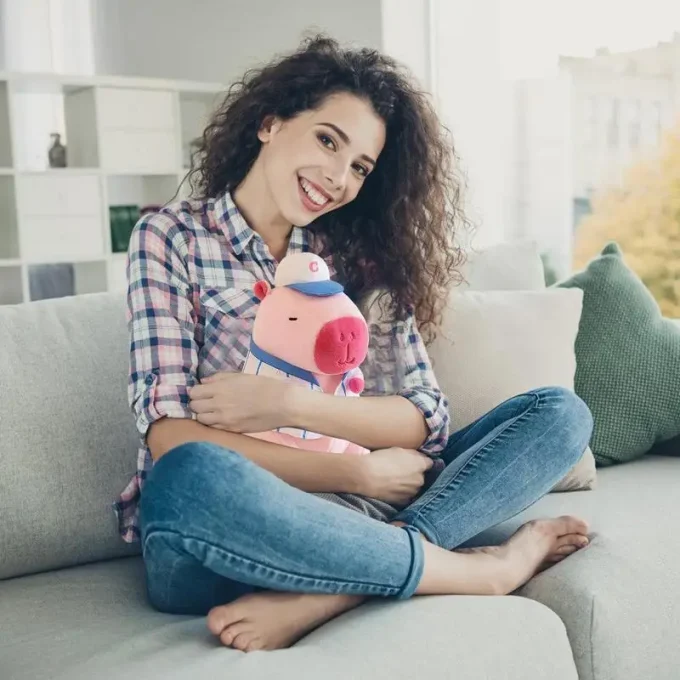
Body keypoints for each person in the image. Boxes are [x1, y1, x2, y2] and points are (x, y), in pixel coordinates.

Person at [114, 35, 594, 654]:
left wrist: (288, 407)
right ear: (271, 122)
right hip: (223, 532)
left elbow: (424, 418)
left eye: (361, 166)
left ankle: (332, 592)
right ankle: (481, 570)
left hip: (356, 517)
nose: (338, 178)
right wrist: (356, 471)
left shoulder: (359, 259)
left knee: (559, 414)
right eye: (327, 139)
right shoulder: (170, 237)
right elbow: (169, 435)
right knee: (187, 477)